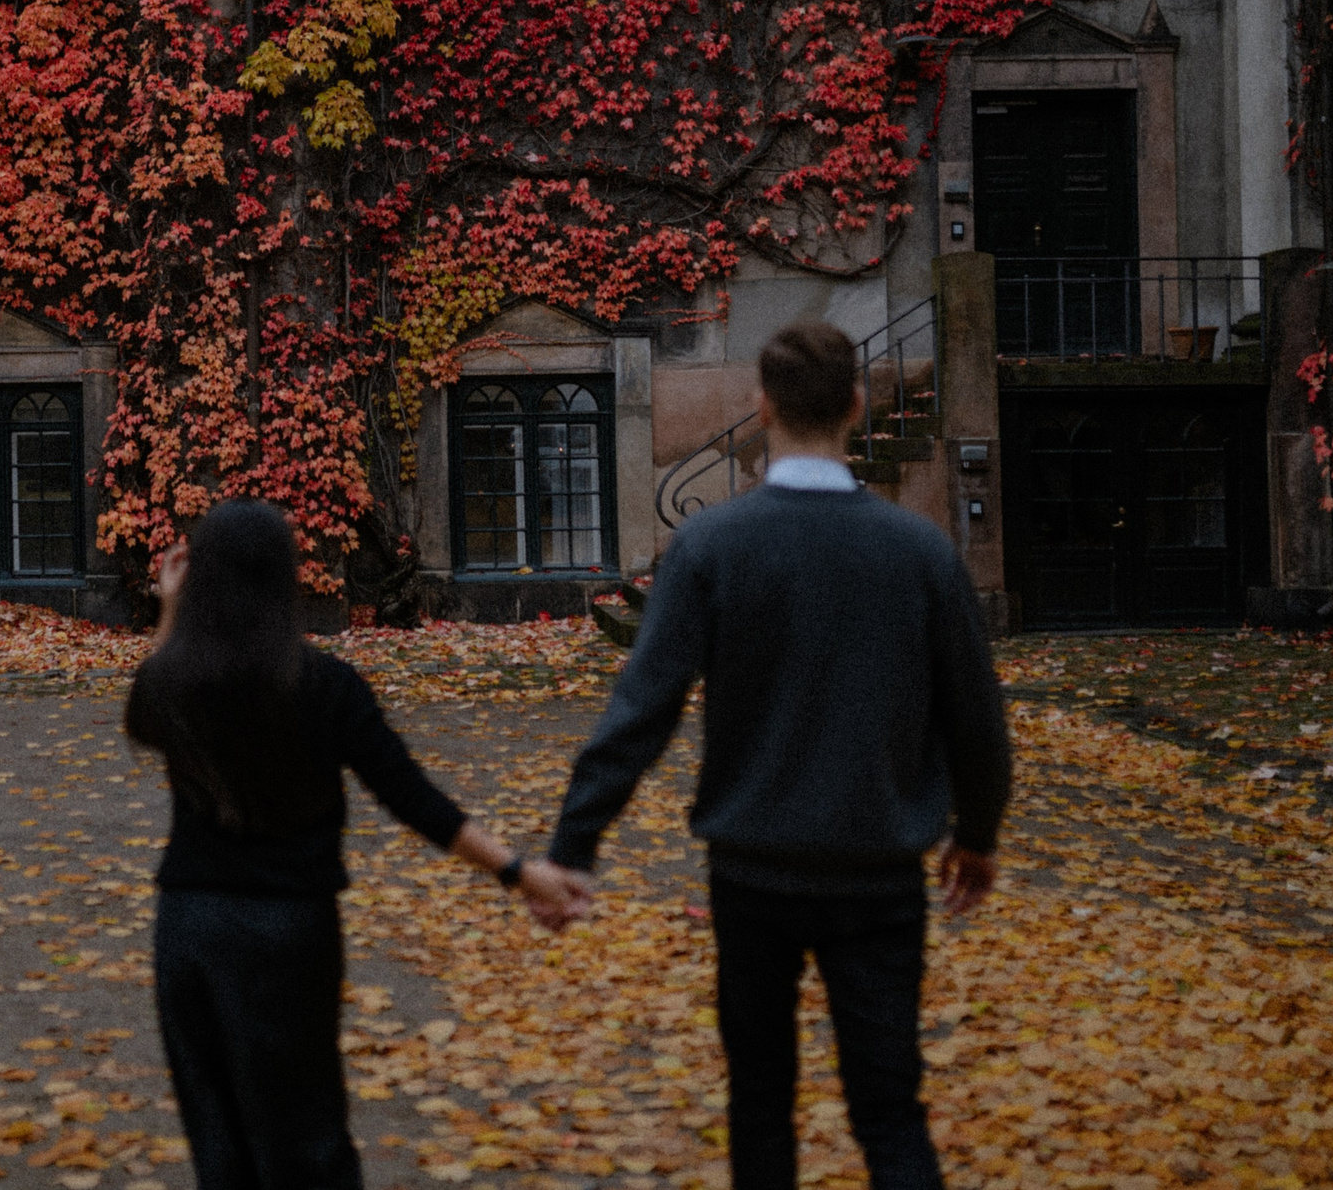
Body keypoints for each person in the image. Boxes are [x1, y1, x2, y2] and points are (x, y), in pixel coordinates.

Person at [542, 319, 1013, 1190]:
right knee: (890, 1110)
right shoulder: (920, 552)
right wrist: (977, 832)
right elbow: (977, 716)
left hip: (753, 870)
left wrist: (576, 843)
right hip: (877, 871)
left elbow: (642, 708)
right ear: (857, 404)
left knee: (760, 1103)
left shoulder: (713, 547)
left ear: (760, 407)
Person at [126, 498, 590, 1190]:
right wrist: (518, 872)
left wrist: (170, 607)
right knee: (309, 1134)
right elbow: (414, 800)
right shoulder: (323, 684)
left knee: (216, 1132)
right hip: (291, 927)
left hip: (192, 926)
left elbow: (145, 711)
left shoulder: (180, 682)